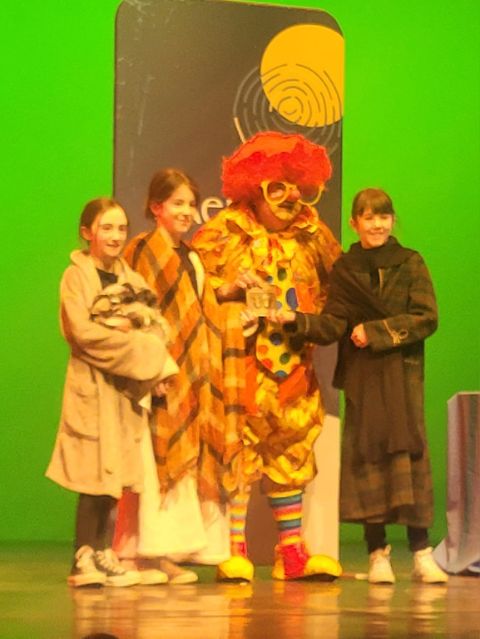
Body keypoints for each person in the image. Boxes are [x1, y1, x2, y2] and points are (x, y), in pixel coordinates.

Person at [271, 188, 449, 584]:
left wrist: (376, 331)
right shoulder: (345, 269)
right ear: (354, 223)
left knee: (408, 461)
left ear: (393, 220)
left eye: (383, 216)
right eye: (369, 217)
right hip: (363, 378)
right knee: (369, 460)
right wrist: (296, 320)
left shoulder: (410, 263)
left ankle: (421, 552)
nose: (377, 225)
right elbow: (334, 323)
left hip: (402, 377)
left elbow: (426, 317)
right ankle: (376, 554)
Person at [192, 131, 343, 581]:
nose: (291, 198)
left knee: (292, 448)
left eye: (299, 189)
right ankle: (233, 549)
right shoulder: (224, 233)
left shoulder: (314, 236)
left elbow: (340, 289)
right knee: (239, 449)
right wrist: (228, 292)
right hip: (240, 365)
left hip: (294, 366)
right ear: (254, 191)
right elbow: (191, 287)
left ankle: (291, 552)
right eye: (277, 188)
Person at [113, 169, 242, 584]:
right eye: (177, 203)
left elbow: (199, 308)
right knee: (156, 459)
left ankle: (168, 553)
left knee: (184, 458)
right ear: (157, 207)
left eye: (191, 204)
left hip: (193, 372)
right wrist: (154, 368)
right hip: (159, 372)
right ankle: (142, 552)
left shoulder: (192, 255)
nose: (187, 212)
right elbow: (139, 313)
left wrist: (230, 292)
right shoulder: (141, 250)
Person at [46, 197, 178, 587]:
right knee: (93, 476)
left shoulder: (133, 281)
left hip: (122, 393)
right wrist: (140, 351)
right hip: (91, 388)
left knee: (116, 476)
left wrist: (138, 340)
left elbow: (156, 329)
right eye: (107, 228)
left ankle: (104, 551)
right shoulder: (76, 277)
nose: (116, 236)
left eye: (121, 228)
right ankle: (82, 556)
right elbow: (83, 333)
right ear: (87, 233)